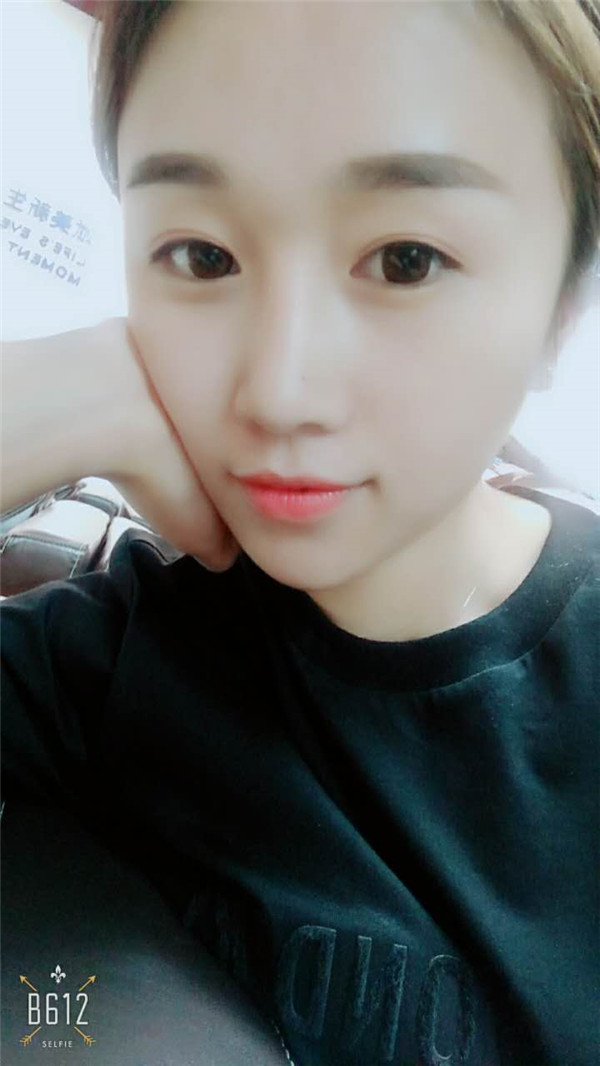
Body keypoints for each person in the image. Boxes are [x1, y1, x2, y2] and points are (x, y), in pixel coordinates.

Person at [1, 1, 599, 1063]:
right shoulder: (112, 662)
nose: (279, 391)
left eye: (406, 259)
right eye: (201, 255)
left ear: (565, 302)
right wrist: (45, 397)